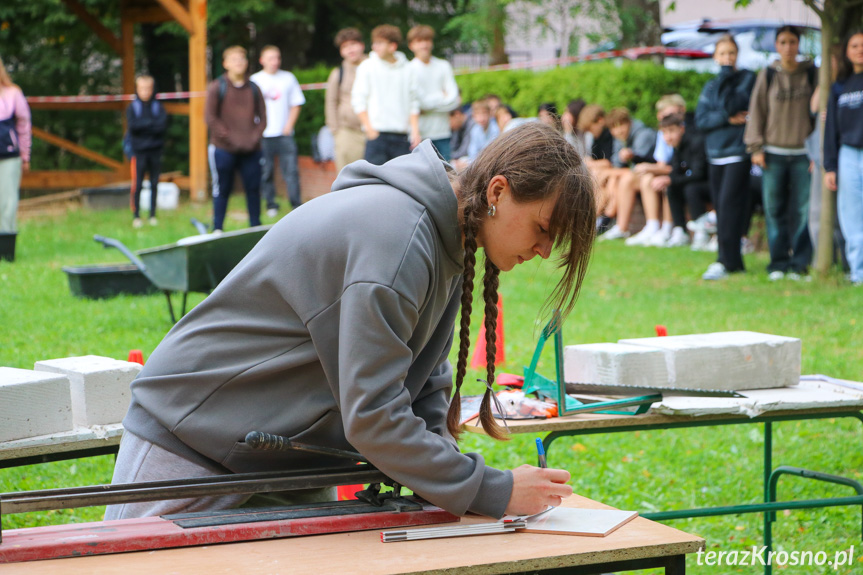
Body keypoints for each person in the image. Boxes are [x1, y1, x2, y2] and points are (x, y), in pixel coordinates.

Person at [103, 122, 595, 522]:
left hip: (284, 457)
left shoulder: (450, 238)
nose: (545, 251)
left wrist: (451, 480)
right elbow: (375, 415)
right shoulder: (399, 238)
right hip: (195, 445)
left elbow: (422, 385)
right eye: (543, 229)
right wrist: (492, 488)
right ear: (498, 191)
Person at [745, 25, 817, 281]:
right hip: (772, 153)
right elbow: (757, 111)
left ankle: (799, 263)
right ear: (776, 45)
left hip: (803, 155)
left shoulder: (811, 74)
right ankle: (778, 263)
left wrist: (816, 153)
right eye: (783, 42)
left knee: (802, 210)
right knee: (774, 209)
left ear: (799, 45)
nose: (788, 47)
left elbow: (820, 115)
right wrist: (755, 147)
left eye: (793, 42)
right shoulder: (767, 74)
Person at [696, 35, 757, 280]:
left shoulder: (746, 78)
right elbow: (701, 119)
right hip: (715, 155)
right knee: (721, 207)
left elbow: (735, 104)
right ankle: (733, 262)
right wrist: (725, 119)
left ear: (737, 55)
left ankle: (724, 260)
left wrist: (726, 76)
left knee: (731, 206)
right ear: (715, 56)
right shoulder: (710, 86)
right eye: (722, 54)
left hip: (737, 154)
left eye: (731, 53)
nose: (727, 58)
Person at [205, 46, 267, 233]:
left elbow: (263, 119)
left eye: (242, 59)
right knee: (222, 189)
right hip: (223, 149)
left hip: (252, 150)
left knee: (253, 189)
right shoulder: (217, 87)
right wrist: (231, 138)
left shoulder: (254, 88)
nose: (239, 63)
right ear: (225, 64)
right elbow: (210, 118)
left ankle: (255, 230)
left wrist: (253, 138)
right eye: (234, 59)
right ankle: (218, 229)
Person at [824, 29, 863, 286]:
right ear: (847, 53)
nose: (860, 49)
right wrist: (830, 166)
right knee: (852, 216)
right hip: (848, 154)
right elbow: (831, 131)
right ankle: (858, 272)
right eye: (855, 45)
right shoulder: (840, 86)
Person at [352, 24, 420, 165]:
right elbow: (358, 100)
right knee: (374, 184)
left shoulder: (408, 69)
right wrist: (370, 130)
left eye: (380, 43)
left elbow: (413, 102)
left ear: (392, 46)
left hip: (402, 137)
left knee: (402, 181)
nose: (374, 47)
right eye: (374, 42)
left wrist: (415, 131)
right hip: (377, 135)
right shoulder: (367, 66)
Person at [251, 45, 305, 217]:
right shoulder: (255, 80)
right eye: (271, 58)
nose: (275, 62)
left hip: (285, 134)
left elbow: (296, 103)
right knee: (265, 171)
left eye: (277, 58)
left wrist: (288, 126)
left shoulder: (288, 78)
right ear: (262, 60)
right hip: (263, 135)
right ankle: (270, 204)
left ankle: (296, 205)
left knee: (291, 170)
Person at [655, 113, 710, 248]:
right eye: (665, 132)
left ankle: (701, 231)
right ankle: (680, 230)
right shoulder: (676, 147)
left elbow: (699, 174)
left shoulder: (695, 142)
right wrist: (669, 180)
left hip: (710, 184)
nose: (668, 136)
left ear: (682, 129)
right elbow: (676, 172)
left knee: (690, 188)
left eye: (672, 131)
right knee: (672, 188)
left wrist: (670, 180)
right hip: (695, 183)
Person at [408, 25, 460, 161]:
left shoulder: (443, 66)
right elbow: (417, 102)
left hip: (443, 132)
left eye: (427, 40)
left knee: (447, 176)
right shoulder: (409, 69)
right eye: (419, 41)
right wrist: (441, 97)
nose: (424, 44)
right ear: (411, 45)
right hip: (420, 135)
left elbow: (454, 100)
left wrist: (427, 106)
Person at [127, 74, 167, 229]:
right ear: (137, 89)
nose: (145, 92)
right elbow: (133, 127)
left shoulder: (158, 107)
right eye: (142, 88)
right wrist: (150, 126)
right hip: (139, 152)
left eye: (148, 88)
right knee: (137, 184)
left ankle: (152, 215)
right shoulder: (133, 108)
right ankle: (136, 215)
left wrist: (144, 126)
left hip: (155, 151)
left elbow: (161, 127)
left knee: (154, 183)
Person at [325, 28, 367, 172]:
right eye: (345, 46)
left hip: (376, 132)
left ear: (362, 45)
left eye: (353, 44)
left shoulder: (374, 67)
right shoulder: (338, 73)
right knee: (347, 178)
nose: (350, 49)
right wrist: (335, 130)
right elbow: (331, 102)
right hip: (347, 132)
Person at [0, 56, 31, 235]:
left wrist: (25, 155)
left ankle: (5, 243)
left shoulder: (13, 93)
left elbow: (24, 125)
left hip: (9, 156)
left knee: (8, 201)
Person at [462, 98, 499, 165]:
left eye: (484, 113)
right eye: (478, 114)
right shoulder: (475, 130)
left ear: (490, 114)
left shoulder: (495, 128)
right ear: (474, 116)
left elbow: (491, 150)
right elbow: (472, 150)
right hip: (478, 160)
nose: (481, 117)